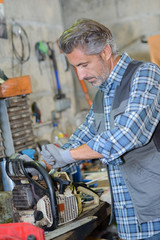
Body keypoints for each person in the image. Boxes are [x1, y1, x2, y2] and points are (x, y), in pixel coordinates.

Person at [40, 19, 160, 240]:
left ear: (105, 52)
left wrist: (68, 155)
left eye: (84, 65)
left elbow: (127, 134)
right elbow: (86, 133)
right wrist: (50, 160)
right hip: (129, 220)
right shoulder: (103, 93)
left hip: (155, 215)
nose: (81, 76)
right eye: (76, 67)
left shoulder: (145, 75)